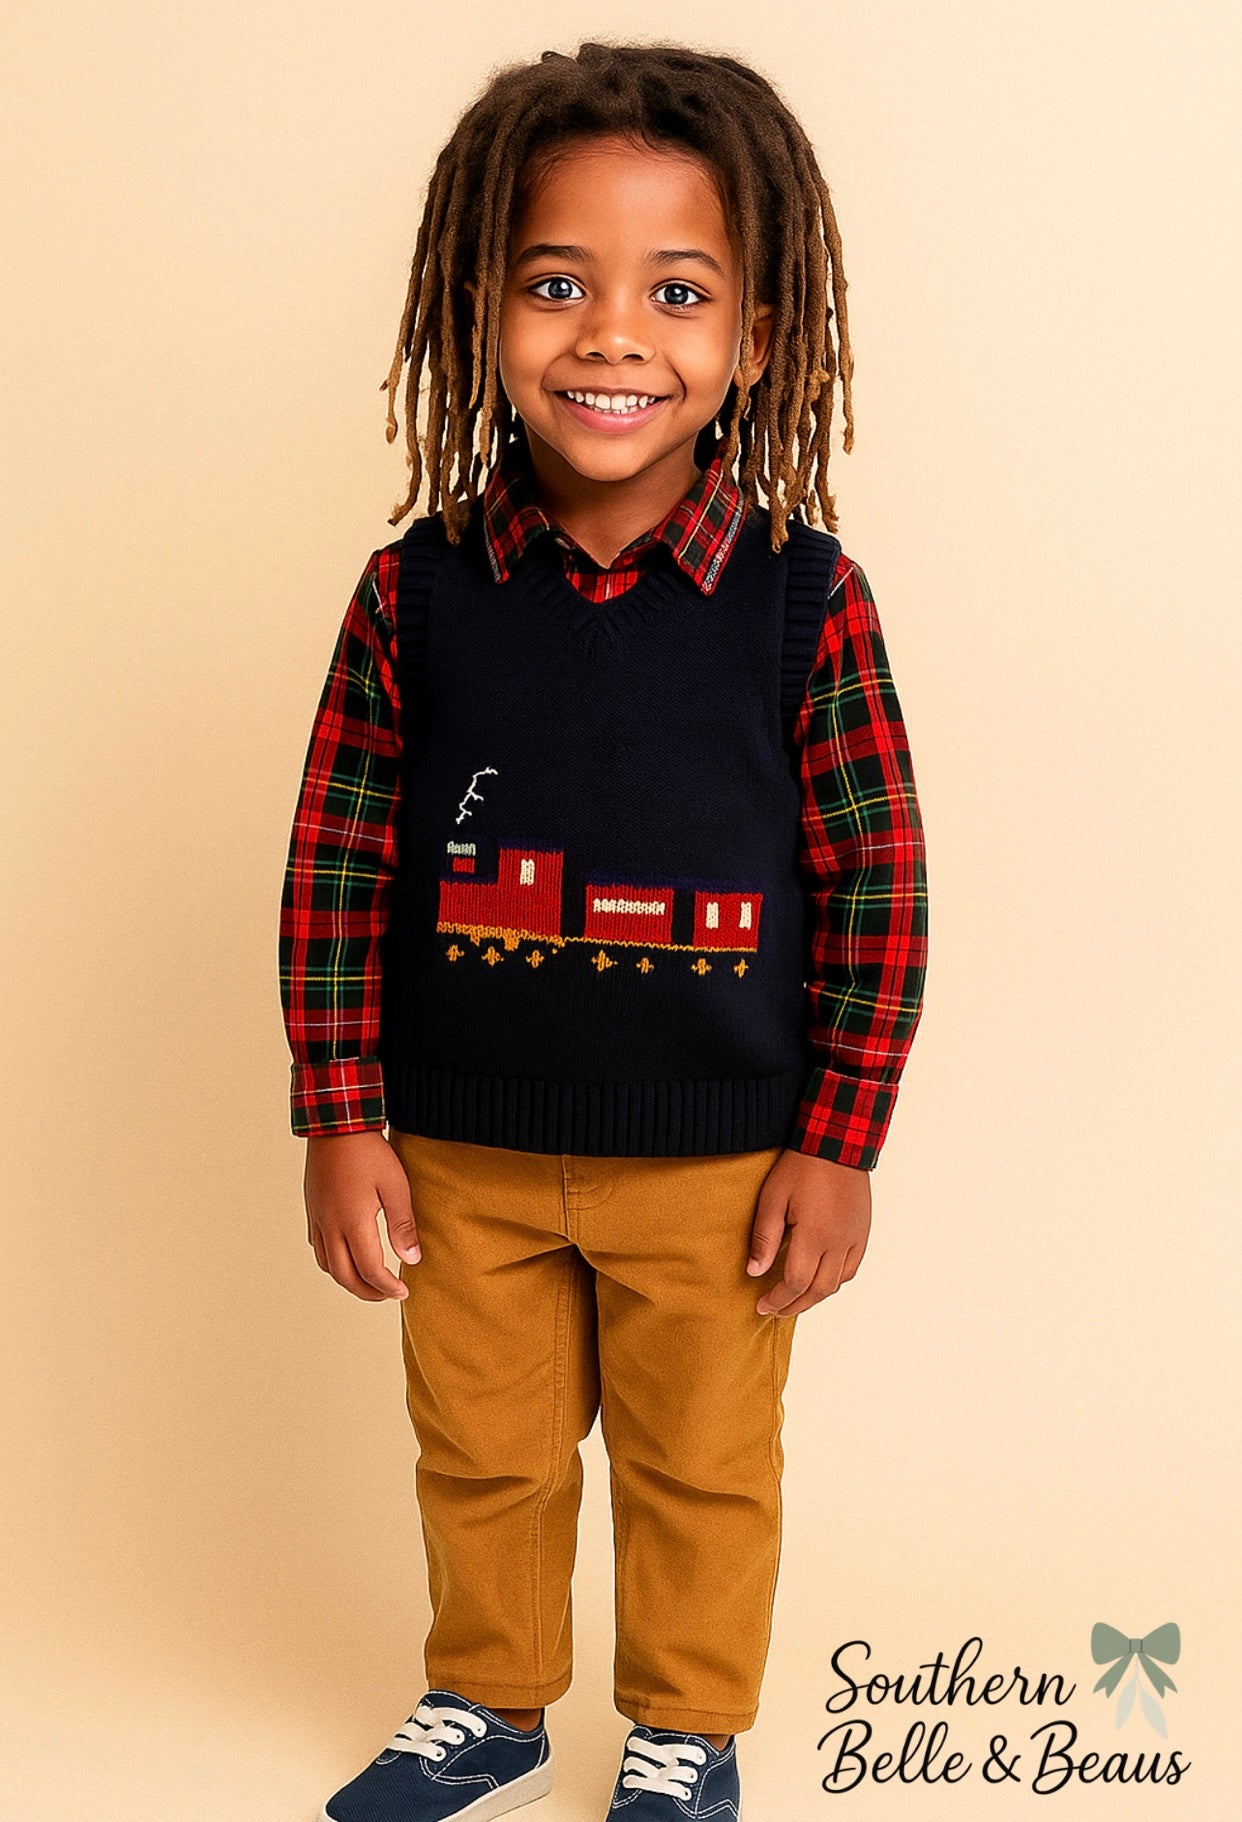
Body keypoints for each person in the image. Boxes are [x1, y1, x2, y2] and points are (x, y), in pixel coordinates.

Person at [279, 38, 928, 1822]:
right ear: (475, 309)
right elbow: (337, 862)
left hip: (715, 1168)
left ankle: (685, 1726)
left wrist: (837, 1142)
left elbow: (875, 886)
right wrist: (338, 1112)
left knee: (701, 1466)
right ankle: (484, 1700)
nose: (611, 333)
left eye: (675, 289)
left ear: (757, 337)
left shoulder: (805, 598)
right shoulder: (415, 590)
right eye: (557, 282)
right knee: (479, 1455)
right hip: (461, 1157)